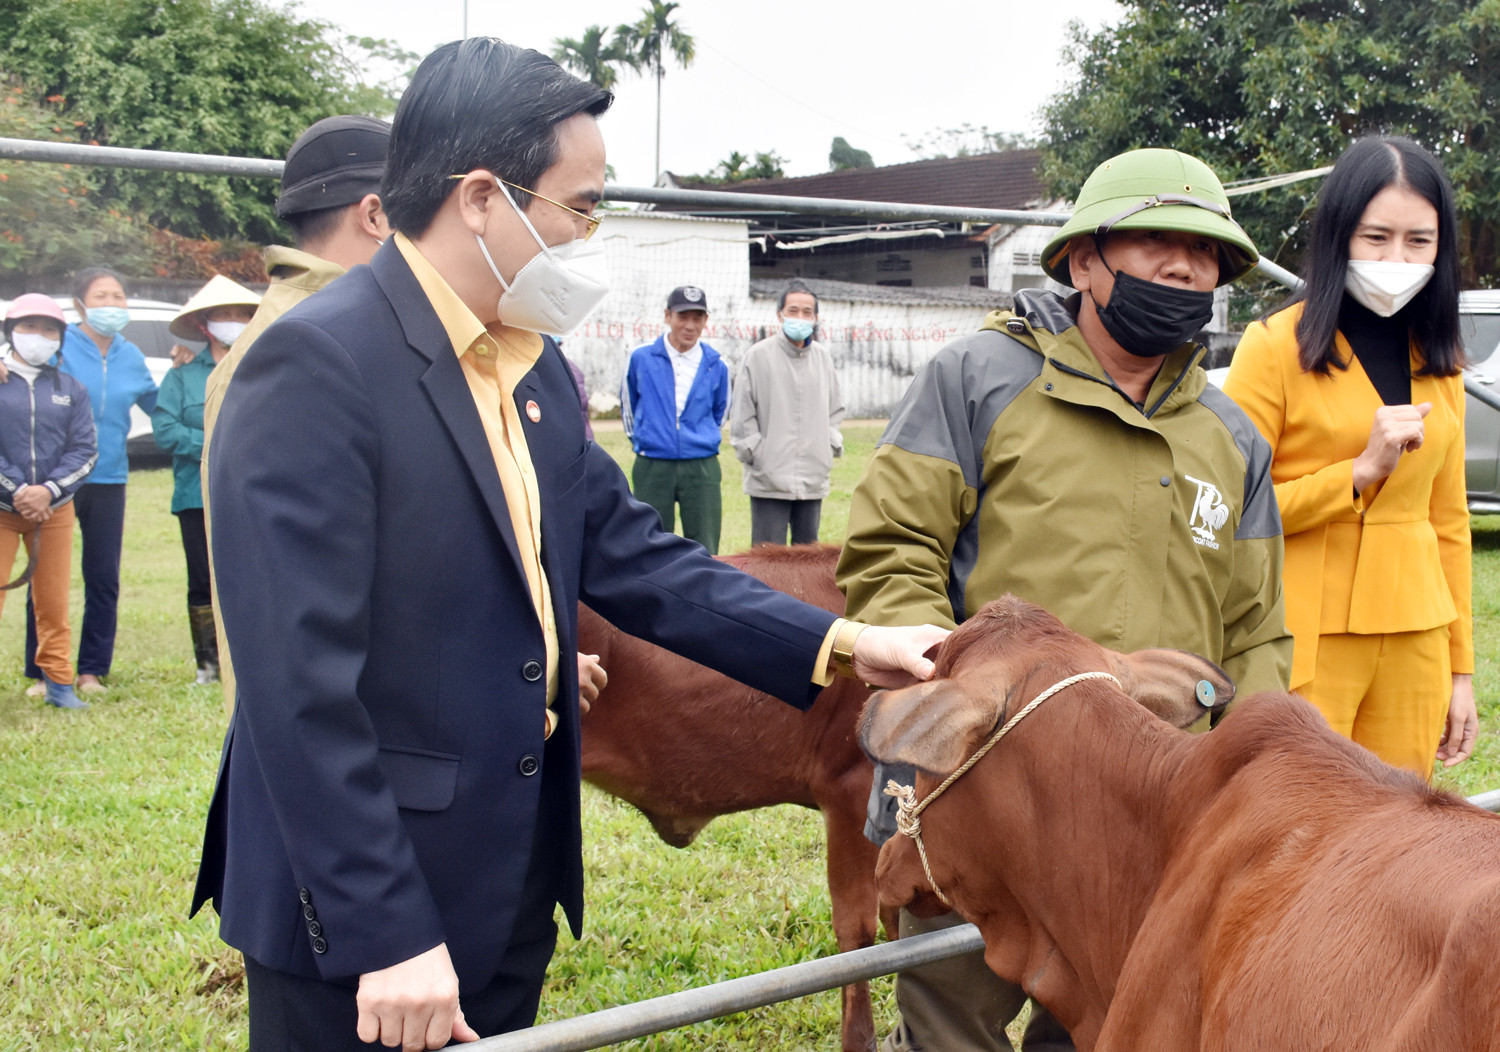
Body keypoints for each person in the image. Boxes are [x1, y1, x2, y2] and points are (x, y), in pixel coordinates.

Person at [189, 37, 946, 1051]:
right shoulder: (316, 367)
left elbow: (637, 557)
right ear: (480, 198)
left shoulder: (530, 369)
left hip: (504, 886)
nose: (588, 235)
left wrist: (844, 643)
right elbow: (297, 691)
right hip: (363, 922)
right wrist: (387, 931)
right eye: (578, 207)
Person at [835, 148, 1293, 1052]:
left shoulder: (1230, 435)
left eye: (1206, 254)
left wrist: (1245, 774)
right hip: (983, 790)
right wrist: (938, 687)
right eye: (1157, 240)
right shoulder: (979, 380)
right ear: (1084, 260)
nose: (1183, 267)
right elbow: (892, 550)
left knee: (1115, 1020)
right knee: (951, 1017)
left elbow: (1256, 628)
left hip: (1152, 803)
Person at [1222, 136, 1475, 777]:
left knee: (1399, 836)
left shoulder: (1441, 364)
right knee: (1297, 823)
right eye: (1376, 237)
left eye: (1419, 240)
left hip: (1417, 638)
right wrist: (1356, 475)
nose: (1397, 257)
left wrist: (1461, 668)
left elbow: (1450, 525)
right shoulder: (1274, 347)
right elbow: (1229, 514)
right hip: (1305, 634)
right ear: (1340, 236)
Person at [200, 114, 392, 716]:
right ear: (377, 216)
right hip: (333, 734)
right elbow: (287, 607)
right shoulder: (297, 353)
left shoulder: (349, 332)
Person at [22, 267, 157, 696]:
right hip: (57, 481)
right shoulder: (59, 350)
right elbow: (22, 379)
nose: (112, 305)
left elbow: (161, 405)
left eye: (119, 296)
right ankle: (43, 670)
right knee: (45, 577)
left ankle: (91, 670)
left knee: (103, 576)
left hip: (110, 476)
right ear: (80, 304)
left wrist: (187, 367)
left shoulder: (132, 356)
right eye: (101, 296)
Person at [154, 275, 261, 685]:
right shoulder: (181, 376)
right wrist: (219, 440)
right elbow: (165, 430)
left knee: (252, 573)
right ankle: (209, 665)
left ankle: (247, 656)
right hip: (194, 493)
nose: (232, 321)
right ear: (204, 324)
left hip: (251, 491)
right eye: (223, 315)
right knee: (201, 579)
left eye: (241, 314)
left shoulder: (261, 363)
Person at [0, 295, 96, 710]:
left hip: (54, 512)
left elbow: (85, 450)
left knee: (54, 601)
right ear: (9, 332)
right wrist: (18, 490)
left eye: (49, 329)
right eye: (28, 327)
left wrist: (49, 492)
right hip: (4, 511)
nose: (39, 337)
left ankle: (59, 683)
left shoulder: (70, 389)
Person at [730, 279, 844, 545]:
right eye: (793, 311)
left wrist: (826, 446)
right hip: (769, 478)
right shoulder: (757, 356)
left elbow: (835, 408)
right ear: (779, 314)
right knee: (768, 563)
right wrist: (758, 453)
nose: (800, 317)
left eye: (807, 312)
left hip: (812, 477)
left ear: (816, 317)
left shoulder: (823, 358)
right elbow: (742, 414)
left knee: (807, 562)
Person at [622, 285, 730, 552]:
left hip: (701, 465)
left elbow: (721, 412)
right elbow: (629, 406)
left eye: (697, 318)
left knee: (705, 542)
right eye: (683, 317)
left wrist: (698, 439)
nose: (690, 326)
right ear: (668, 316)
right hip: (653, 464)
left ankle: (702, 594)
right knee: (649, 542)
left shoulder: (717, 364)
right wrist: (650, 438)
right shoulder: (641, 357)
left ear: (706, 320)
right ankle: (652, 593)